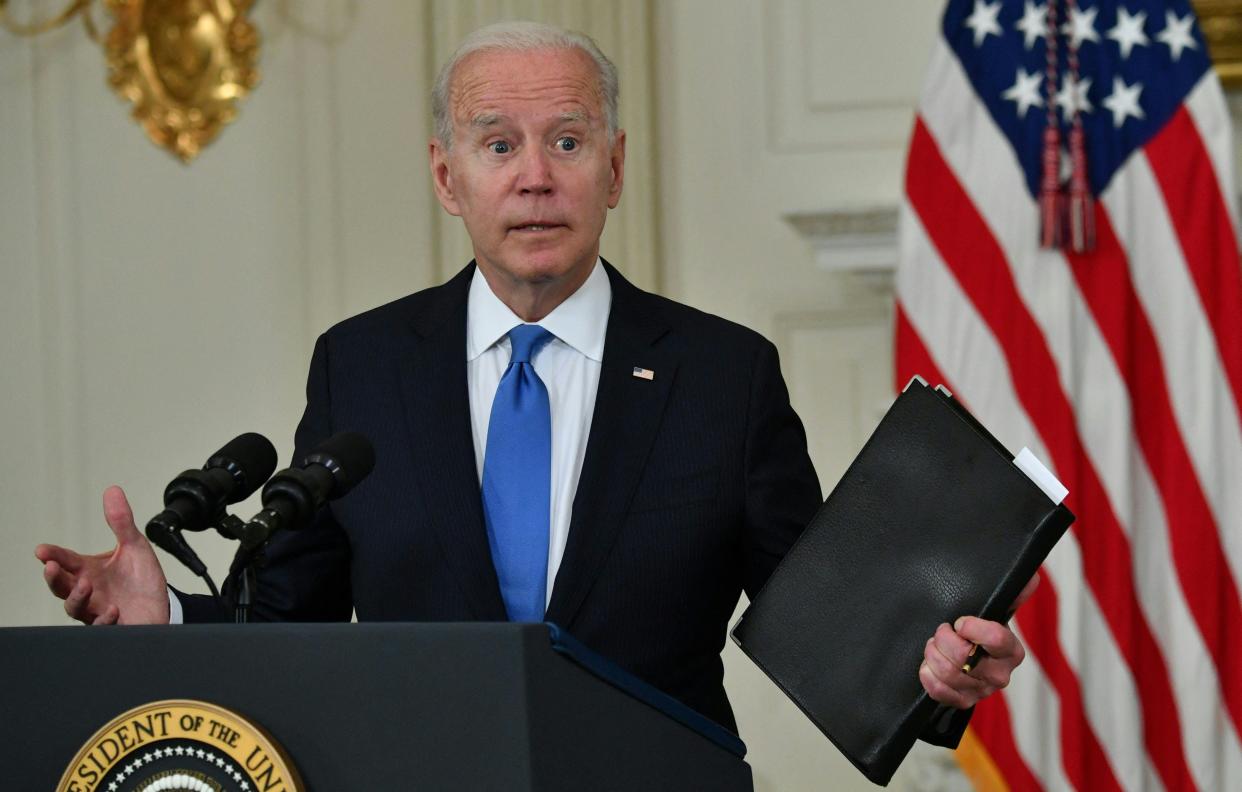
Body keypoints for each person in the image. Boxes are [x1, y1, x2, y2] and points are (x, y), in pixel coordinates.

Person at [35, 21, 1030, 737]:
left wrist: (935, 669)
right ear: (446, 178)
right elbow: (290, 614)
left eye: (567, 140)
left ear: (615, 166)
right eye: (497, 144)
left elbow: (821, 619)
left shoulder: (723, 376)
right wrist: (159, 613)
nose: (535, 176)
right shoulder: (365, 365)